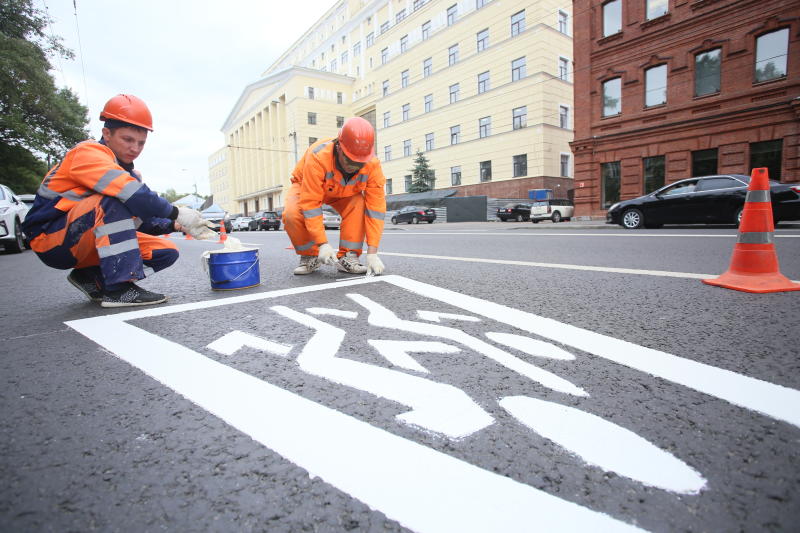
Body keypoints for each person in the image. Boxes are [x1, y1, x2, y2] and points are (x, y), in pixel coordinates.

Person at [22, 94, 214, 307]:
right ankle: (118, 289)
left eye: (141, 143)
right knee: (113, 200)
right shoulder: (88, 153)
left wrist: (175, 224)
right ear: (107, 133)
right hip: (51, 239)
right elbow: (133, 195)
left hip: (82, 238)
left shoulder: (123, 171)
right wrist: (177, 211)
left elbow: (138, 219)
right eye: (128, 139)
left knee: (166, 252)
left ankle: (90, 276)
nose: (135, 148)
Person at [283, 117, 386, 276]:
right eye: (350, 160)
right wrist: (322, 244)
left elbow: (376, 209)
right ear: (339, 147)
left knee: (358, 203)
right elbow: (311, 204)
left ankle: (348, 257)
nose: (353, 167)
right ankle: (311, 256)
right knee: (292, 214)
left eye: (359, 164)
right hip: (307, 185)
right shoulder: (318, 156)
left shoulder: (372, 164)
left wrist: (373, 252)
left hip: (344, 192)